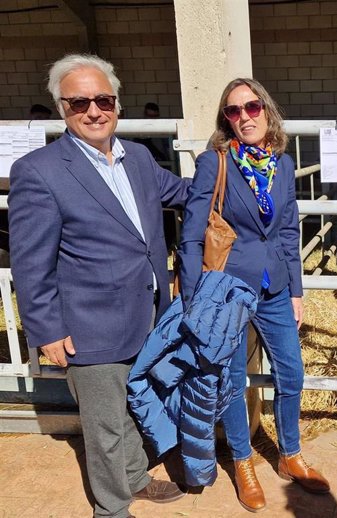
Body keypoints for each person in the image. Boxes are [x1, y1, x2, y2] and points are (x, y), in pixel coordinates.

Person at [8, 54, 190, 518]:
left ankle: (133, 478)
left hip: (147, 312)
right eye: (78, 103)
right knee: (104, 423)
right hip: (88, 319)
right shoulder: (40, 171)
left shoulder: (141, 158)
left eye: (102, 99)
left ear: (117, 103)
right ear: (61, 108)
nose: (93, 111)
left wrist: (234, 167)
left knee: (130, 405)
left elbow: (185, 193)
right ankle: (111, 508)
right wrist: (46, 329)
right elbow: (31, 264)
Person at [178, 78, 329, 512]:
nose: (244, 117)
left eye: (252, 107)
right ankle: (243, 461)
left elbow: (286, 229)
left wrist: (296, 290)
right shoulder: (214, 162)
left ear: (267, 110)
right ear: (226, 120)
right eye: (233, 111)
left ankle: (290, 454)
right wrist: (194, 300)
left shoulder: (281, 165)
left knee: (291, 372)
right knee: (230, 379)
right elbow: (190, 236)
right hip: (226, 290)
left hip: (275, 288)